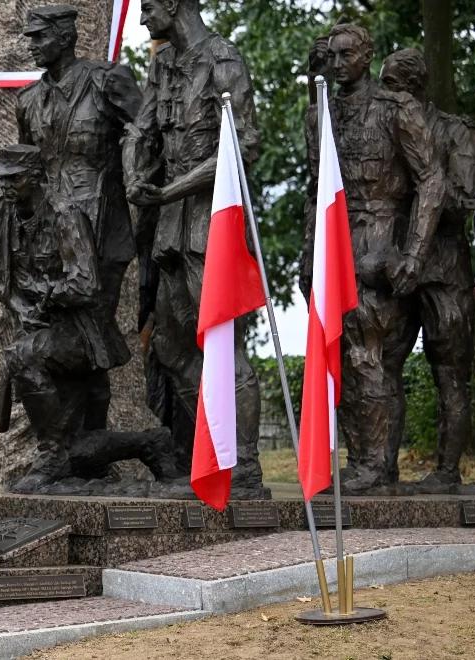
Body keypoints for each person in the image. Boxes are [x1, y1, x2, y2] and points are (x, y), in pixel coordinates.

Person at [123, 0, 267, 498]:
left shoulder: (222, 58)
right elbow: (141, 130)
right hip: (169, 225)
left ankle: (243, 468)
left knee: (224, 343)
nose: (143, 19)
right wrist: (135, 173)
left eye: (148, 7)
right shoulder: (162, 65)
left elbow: (244, 145)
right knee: (171, 347)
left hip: (213, 221)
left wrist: (167, 189)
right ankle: (210, 454)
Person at [303, 24, 441, 492]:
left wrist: (415, 254)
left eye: (346, 56)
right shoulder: (322, 114)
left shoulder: (396, 108)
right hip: (334, 239)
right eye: (332, 57)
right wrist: (308, 258)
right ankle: (372, 466)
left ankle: (372, 467)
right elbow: (312, 190)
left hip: (381, 241)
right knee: (347, 357)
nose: (338, 65)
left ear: (367, 55)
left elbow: (431, 180)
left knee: (369, 356)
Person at [13, 5, 140, 492]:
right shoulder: (27, 101)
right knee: (76, 348)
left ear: (65, 36)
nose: (31, 44)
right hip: (51, 245)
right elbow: (28, 173)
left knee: (87, 344)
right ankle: (87, 457)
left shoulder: (106, 82)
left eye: (39, 36)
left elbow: (145, 132)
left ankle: (68, 456)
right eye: (29, 37)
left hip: (102, 237)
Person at [380, 48, 475, 488]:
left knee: (450, 373)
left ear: (410, 88)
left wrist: (427, 195)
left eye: (389, 87)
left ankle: (446, 470)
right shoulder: (386, 127)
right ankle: (381, 465)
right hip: (399, 265)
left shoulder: (457, 132)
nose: (383, 96)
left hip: (444, 271)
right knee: (385, 362)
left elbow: (458, 198)